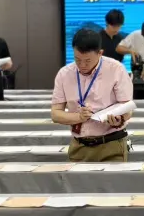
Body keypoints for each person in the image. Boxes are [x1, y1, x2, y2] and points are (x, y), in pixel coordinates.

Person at [51, 27, 133, 162]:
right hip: (79, 147)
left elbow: (127, 109)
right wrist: (79, 117)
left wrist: (119, 119)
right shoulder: (64, 74)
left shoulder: (116, 70)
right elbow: (55, 114)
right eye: (77, 59)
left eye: (87, 60)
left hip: (111, 145)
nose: (82, 65)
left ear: (100, 53)